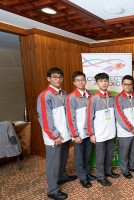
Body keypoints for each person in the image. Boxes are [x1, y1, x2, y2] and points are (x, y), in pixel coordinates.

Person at [37, 67, 77, 200]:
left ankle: (62, 176)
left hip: (64, 134)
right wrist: (54, 135)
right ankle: (52, 190)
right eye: (54, 77)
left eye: (60, 77)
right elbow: (44, 118)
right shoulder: (45, 95)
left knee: (63, 158)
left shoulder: (64, 93)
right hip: (54, 137)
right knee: (53, 163)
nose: (58, 79)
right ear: (48, 79)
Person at [87, 72, 120, 186]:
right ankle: (100, 177)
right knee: (100, 156)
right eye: (101, 81)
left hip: (110, 131)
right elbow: (89, 117)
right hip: (100, 133)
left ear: (108, 82)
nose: (104, 83)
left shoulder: (112, 97)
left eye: (106, 81)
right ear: (97, 83)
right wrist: (91, 133)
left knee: (109, 154)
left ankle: (108, 171)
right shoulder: (94, 99)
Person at [65, 71, 96, 188]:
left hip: (89, 131)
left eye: (82, 79)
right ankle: (82, 178)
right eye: (78, 80)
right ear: (74, 82)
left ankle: (87, 173)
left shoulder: (91, 94)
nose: (81, 82)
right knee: (79, 156)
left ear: (85, 80)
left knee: (87, 154)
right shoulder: (71, 97)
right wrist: (75, 134)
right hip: (79, 133)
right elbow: (70, 118)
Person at [115, 75, 134, 179]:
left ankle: (133, 166)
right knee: (124, 152)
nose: (127, 86)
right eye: (125, 84)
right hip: (125, 131)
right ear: (122, 85)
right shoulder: (119, 98)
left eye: (129, 84)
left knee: (133, 151)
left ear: (132, 85)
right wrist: (131, 128)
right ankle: (125, 170)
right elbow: (120, 116)